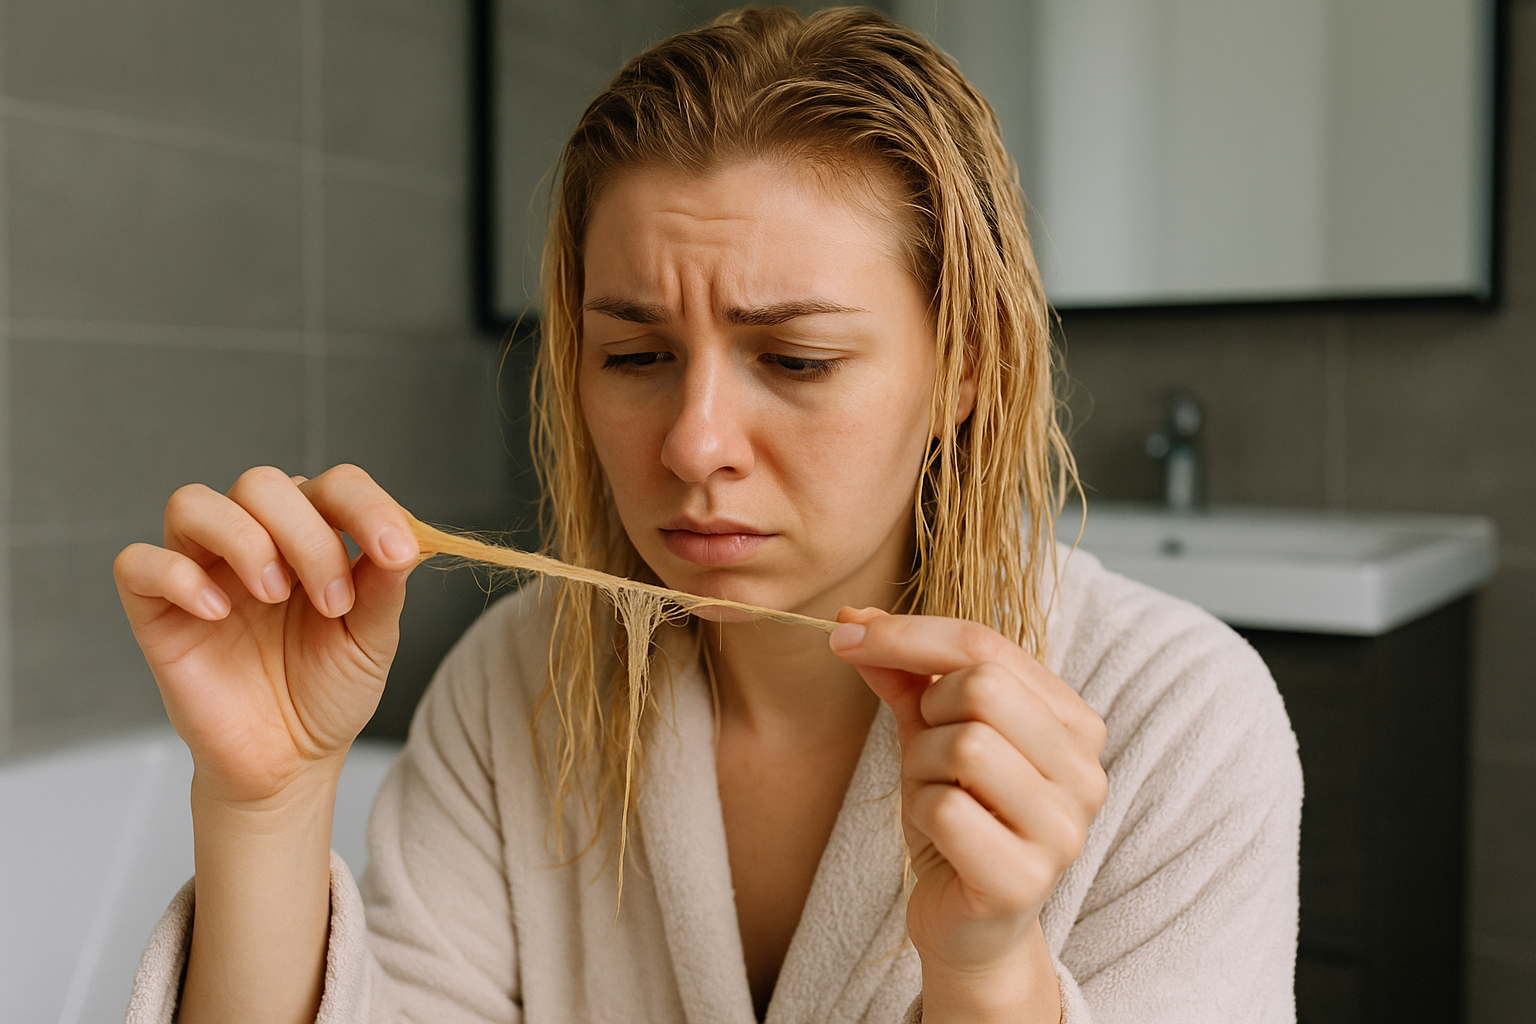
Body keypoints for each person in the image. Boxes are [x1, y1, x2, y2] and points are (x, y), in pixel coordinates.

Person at [114, 8, 1301, 1024]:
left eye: (792, 358)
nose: (692, 443)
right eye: (634, 353)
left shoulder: (1179, 723)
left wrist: (989, 972)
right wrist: (265, 804)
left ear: (966, 367)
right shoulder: (508, 689)